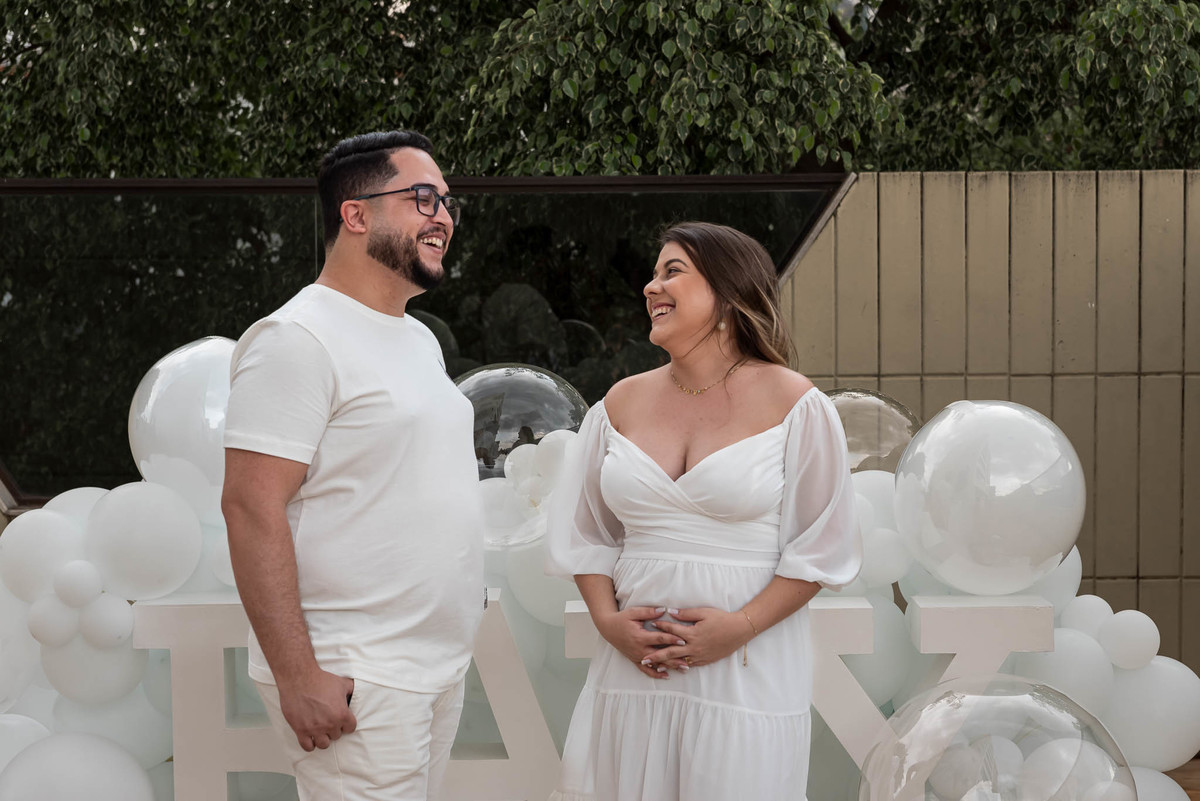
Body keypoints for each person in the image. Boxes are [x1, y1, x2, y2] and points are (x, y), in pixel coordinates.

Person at [545, 221, 863, 800]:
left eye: (673, 271)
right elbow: (588, 534)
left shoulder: (796, 403)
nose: (651, 287)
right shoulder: (619, 402)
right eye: (653, 273)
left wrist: (738, 629)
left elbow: (820, 549)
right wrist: (609, 624)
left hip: (746, 671)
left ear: (728, 294)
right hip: (634, 671)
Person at [221, 130, 483, 801]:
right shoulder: (296, 339)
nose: (444, 217)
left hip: (428, 669)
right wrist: (297, 674)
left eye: (448, 202)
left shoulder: (418, 339)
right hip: (354, 672)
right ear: (356, 214)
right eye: (423, 198)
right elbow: (250, 507)